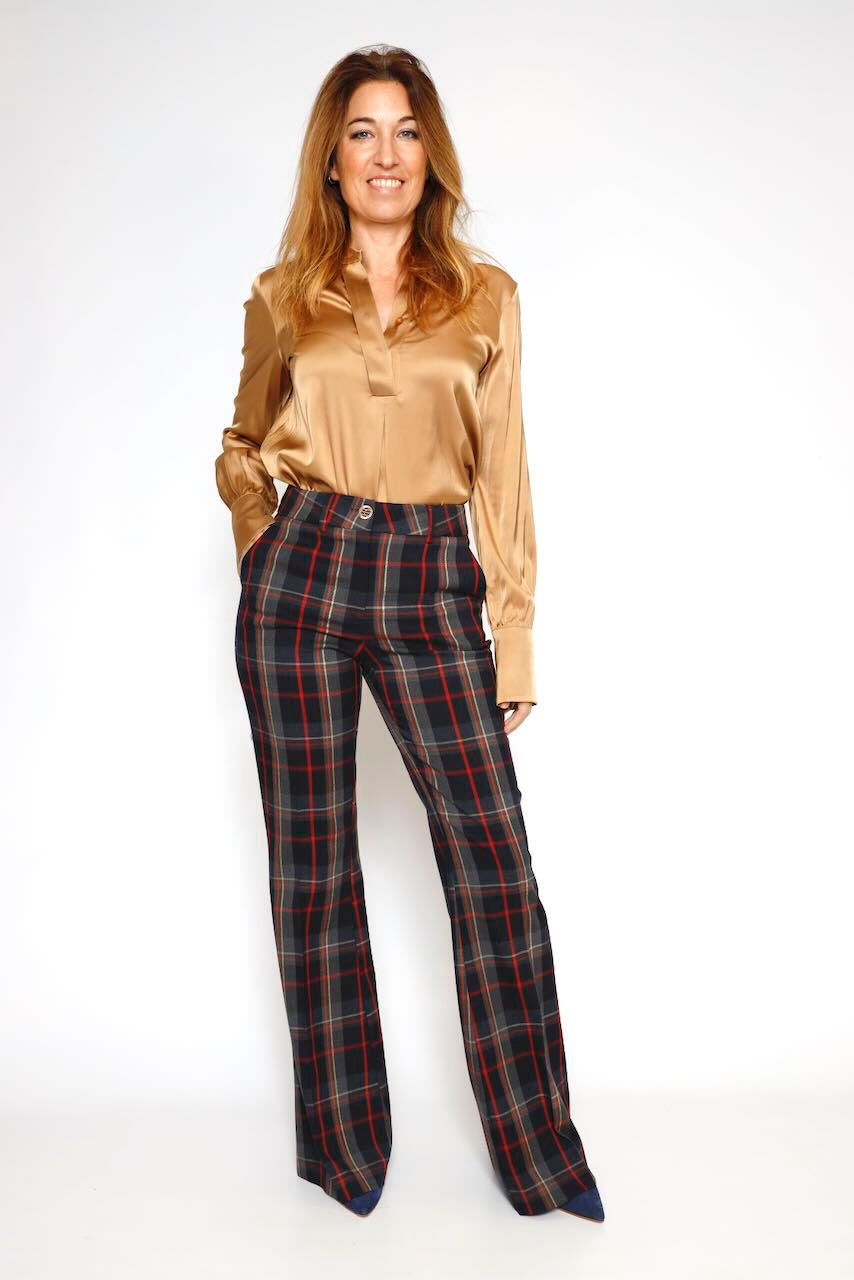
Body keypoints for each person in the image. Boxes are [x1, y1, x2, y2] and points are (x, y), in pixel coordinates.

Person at [215, 44, 604, 1222]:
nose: (384, 154)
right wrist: (262, 542)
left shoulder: (485, 297)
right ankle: (343, 1153)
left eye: (405, 131)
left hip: (433, 579)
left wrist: (512, 632)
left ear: (429, 154)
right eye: (361, 132)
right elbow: (241, 441)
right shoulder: (283, 294)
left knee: (493, 862)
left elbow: (505, 475)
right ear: (331, 160)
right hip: (303, 573)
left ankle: (538, 1155)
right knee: (312, 863)